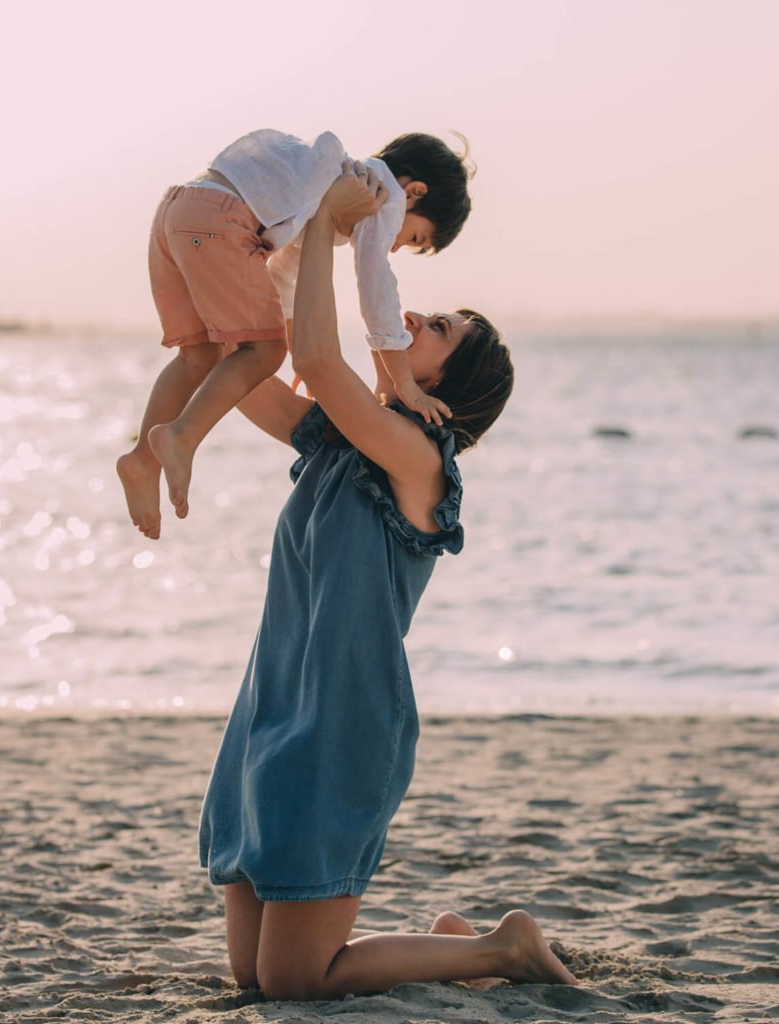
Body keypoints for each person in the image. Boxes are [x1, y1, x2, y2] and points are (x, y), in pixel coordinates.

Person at [198, 165, 576, 999]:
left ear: (445, 388)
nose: (409, 318)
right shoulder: (339, 440)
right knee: (254, 978)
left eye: (437, 328)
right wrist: (217, 252)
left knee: (295, 981)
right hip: (271, 704)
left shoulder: (417, 463)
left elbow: (319, 358)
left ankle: (502, 949)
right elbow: (237, 367)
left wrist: (329, 224)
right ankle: (452, 946)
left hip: (342, 723)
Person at [117, 130, 472, 540]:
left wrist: (291, 342)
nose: (395, 247)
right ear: (414, 192)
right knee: (264, 353)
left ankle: (143, 459)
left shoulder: (322, 182)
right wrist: (405, 383)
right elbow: (377, 288)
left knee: (198, 355)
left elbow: (285, 272)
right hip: (220, 220)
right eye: (412, 238)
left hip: (179, 209)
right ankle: (181, 436)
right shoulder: (378, 195)